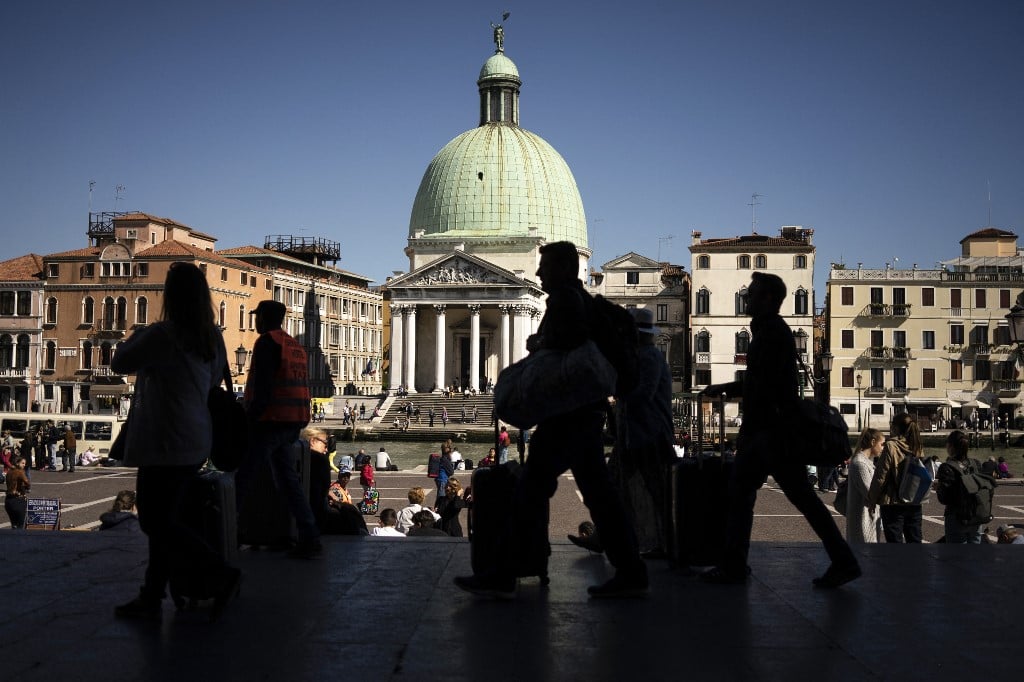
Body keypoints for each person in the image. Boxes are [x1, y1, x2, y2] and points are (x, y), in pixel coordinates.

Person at [455, 241, 647, 598]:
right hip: (583, 412)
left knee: (534, 489)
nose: (539, 273)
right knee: (591, 490)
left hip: (569, 415)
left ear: (561, 268)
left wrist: (539, 344)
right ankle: (630, 569)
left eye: (544, 266)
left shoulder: (564, 301)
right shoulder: (583, 301)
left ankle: (504, 572)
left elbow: (565, 346)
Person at [700, 272, 860, 588]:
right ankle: (843, 560)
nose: (747, 298)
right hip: (775, 432)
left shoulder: (770, 333)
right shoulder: (773, 331)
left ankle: (734, 565)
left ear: (769, 299)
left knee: (743, 495)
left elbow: (762, 386)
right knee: (799, 499)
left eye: (753, 294)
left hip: (767, 433)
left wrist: (725, 389)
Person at [110, 262, 240, 619]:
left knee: (156, 522)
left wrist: (135, 332)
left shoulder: (162, 335)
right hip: (197, 436)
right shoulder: (211, 336)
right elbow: (214, 380)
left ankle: (221, 573)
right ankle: (152, 595)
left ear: (170, 295)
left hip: (163, 438)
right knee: (165, 518)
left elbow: (120, 362)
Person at [236, 299, 319, 560]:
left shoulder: (267, 342)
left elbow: (264, 386)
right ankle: (309, 535)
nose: (255, 321)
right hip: (293, 420)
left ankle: (226, 532)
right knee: (287, 481)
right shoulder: (294, 345)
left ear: (264, 317)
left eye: (257, 316)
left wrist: (249, 418)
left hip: (271, 420)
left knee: (242, 478)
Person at [607, 307, 675, 558]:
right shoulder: (643, 357)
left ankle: (667, 543)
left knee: (654, 492)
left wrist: (616, 390)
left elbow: (642, 395)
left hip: (648, 435)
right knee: (617, 487)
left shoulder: (647, 358)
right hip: (636, 434)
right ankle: (608, 537)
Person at [867, 413, 925, 543]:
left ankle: (897, 564)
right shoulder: (916, 445)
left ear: (895, 427)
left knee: (894, 543)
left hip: (893, 501)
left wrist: (872, 498)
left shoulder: (891, 446)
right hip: (913, 500)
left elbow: (881, 476)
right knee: (915, 541)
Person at [935, 430, 984, 544]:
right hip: (975, 514)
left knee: (956, 555)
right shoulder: (976, 464)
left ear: (951, 446)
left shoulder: (946, 467)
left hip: (956, 515)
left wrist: (939, 488)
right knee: (974, 552)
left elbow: (944, 499)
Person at [847, 428, 884, 544]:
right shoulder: (860, 463)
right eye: (881, 444)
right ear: (873, 442)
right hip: (863, 518)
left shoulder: (866, 462)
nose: (883, 448)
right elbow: (870, 492)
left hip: (868, 517)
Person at [4, 455, 29, 529]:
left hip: (8, 500)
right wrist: (26, 486)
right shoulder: (20, 472)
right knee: (20, 526)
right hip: (18, 499)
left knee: (14, 525)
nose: (24, 465)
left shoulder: (9, 472)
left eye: (24, 463)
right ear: (17, 463)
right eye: (22, 463)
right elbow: (27, 483)